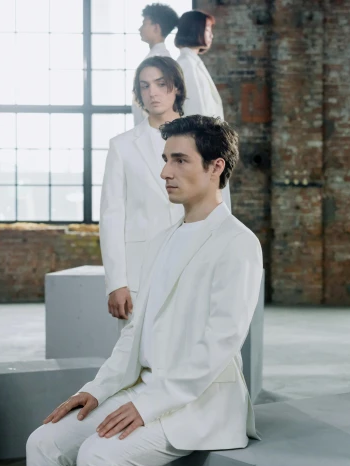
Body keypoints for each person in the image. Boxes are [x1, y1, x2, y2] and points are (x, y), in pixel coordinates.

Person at [26, 115, 262, 466]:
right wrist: (98, 389)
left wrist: (151, 403)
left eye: (180, 160)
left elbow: (220, 343)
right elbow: (133, 334)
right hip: (141, 387)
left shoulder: (239, 243)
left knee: (99, 457)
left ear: (216, 166)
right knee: (43, 442)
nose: (165, 172)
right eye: (165, 159)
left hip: (199, 401)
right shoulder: (160, 241)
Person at [100, 56, 185, 323]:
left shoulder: (205, 139)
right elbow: (111, 216)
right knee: (134, 358)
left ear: (177, 87)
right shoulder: (122, 146)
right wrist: (116, 282)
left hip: (194, 264)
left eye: (161, 84)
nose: (153, 92)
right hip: (140, 273)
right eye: (145, 86)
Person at [174, 10, 231, 209]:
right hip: (201, 149)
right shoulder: (186, 66)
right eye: (208, 29)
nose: (211, 35)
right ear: (195, 30)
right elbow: (194, 113)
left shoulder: (193, 63)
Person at [132, 3, 179, 126]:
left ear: (156, 28)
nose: (140, 29)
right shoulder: (156, 57)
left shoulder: (161, 61)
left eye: (144, 23)